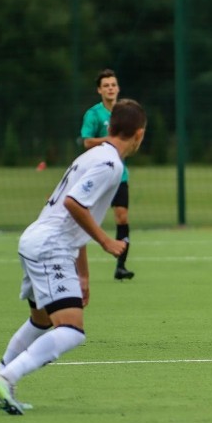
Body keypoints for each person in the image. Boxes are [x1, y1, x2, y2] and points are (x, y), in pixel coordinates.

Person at [0, 99, 147, 415]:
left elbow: (70, 208)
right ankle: (5, 376)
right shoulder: (110, 165)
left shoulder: (92, 155)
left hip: (36, 239)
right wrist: (106, 242)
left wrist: (82, 273)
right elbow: (74, 204)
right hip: (50, 247)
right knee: (71, 330)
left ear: (110, 128)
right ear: (139, 134)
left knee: (42, 319)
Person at [81, 69, 136, 279]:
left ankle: (121, 266)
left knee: (122, 217)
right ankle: (74, 262)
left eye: (113, 85)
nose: (110, 88)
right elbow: (86, 141)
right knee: (85, 217)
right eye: (106, 85)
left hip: (119, 175)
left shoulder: (125, 113)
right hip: (98, 174)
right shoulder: (93, 114)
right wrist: (109, 141)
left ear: (118, 88)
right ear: (99, 90)